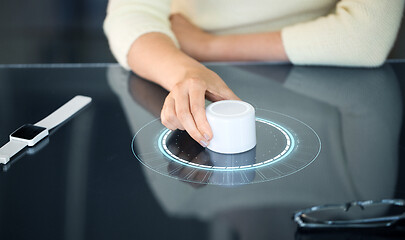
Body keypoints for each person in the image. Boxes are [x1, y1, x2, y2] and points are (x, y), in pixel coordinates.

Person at [104, 0, 404, 147]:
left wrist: (209, 47)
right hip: (176, 60)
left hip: (331, 70)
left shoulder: (355, 211)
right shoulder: (183, 199)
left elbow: (367, 37)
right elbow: (130, 16)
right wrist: (186, 69)